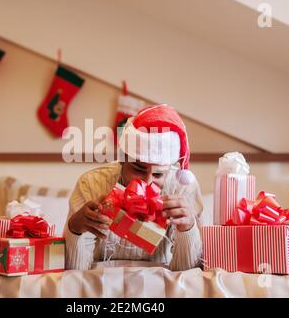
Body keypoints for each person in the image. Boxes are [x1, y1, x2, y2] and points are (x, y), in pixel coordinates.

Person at [64, 104, 205, 271]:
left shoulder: (183, 188)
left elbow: (190, 278)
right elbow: (74, 274)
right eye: (138, 169)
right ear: (122, 159)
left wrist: (187, 229)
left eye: (158, 175)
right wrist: (74, 229)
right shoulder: (92, 184)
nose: (146, 182)